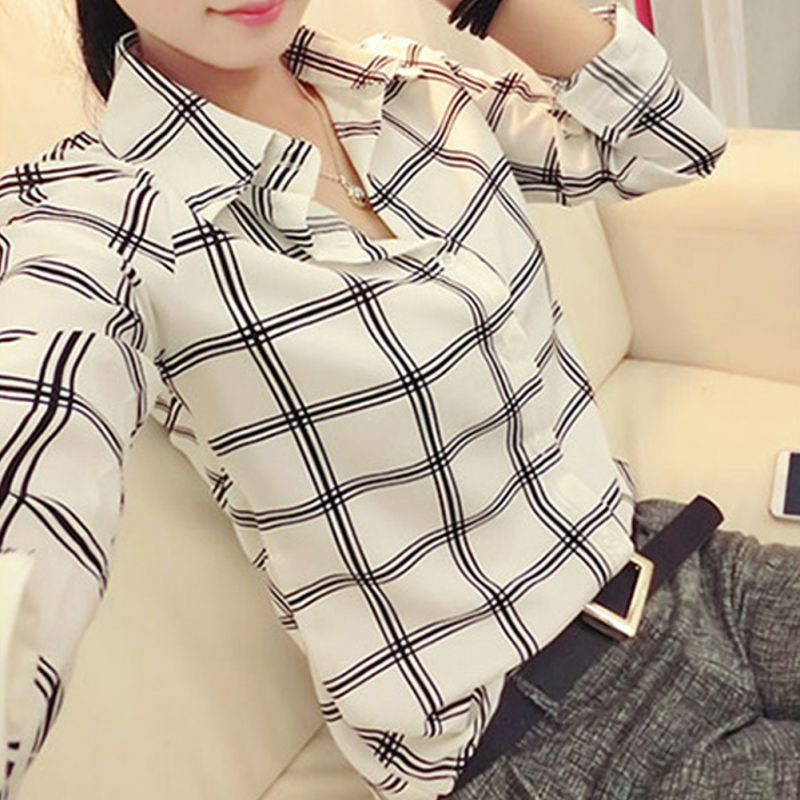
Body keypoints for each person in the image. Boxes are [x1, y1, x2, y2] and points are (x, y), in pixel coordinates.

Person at [0, 1, 796, 799]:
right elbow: (35, 444)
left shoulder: (408, 90)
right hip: (533, 732)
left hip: (677, 566)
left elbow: (672, 143)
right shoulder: (97, 216)